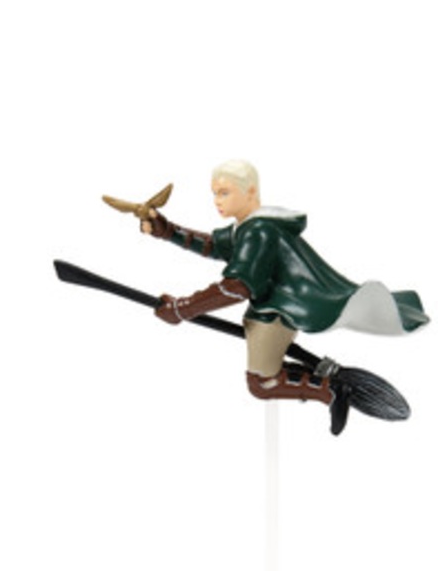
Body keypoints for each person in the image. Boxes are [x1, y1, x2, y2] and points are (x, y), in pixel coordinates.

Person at [140, 160, 429, 432]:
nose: (217, 200)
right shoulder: (250, 226)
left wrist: (180, 309)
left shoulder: (259, 232)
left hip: (277, 313)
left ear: (250, 191)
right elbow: (214, 245)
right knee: (270, 372)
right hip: (276, 308)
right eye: (214, 193)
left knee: (262, 383)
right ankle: (325, 381)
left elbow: (237, 287)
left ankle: (330, 391)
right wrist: (167, 230)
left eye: (224, 193)